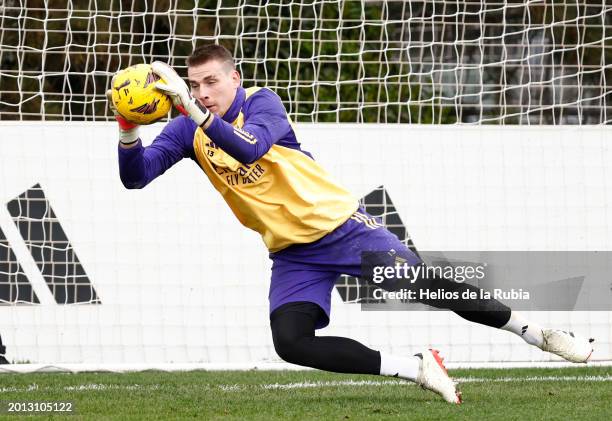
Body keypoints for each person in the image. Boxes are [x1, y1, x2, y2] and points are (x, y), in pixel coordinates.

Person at [108, 44, 594, 404]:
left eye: (210, 82)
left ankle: (537, 333)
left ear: (235, 77)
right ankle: (417, 368)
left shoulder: (262, 103)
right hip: (293, 252)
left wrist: (191, 110)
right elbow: (137, 177)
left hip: (343, 229)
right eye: (193, 85)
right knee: (291, 342)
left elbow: (250, 147)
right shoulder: (186, 128)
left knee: (428, 286)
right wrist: (128, 127)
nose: (201, 92)